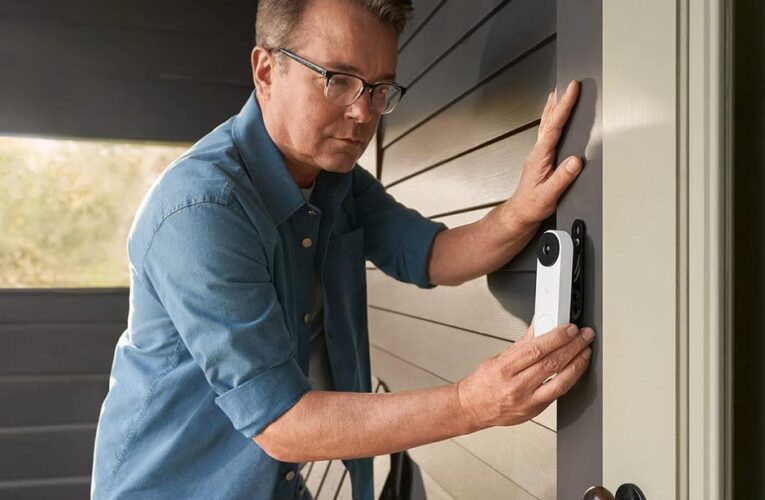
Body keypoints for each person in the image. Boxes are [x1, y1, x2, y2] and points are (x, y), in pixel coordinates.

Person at [91, 0, 595, 498]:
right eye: (338, 79)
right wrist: (471, 404)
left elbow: (433, 255)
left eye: (380, 89)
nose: (362, 113)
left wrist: (520, 211)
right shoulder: (201, 210)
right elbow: (283, 422)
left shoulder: (337, 179)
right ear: (267, 70)